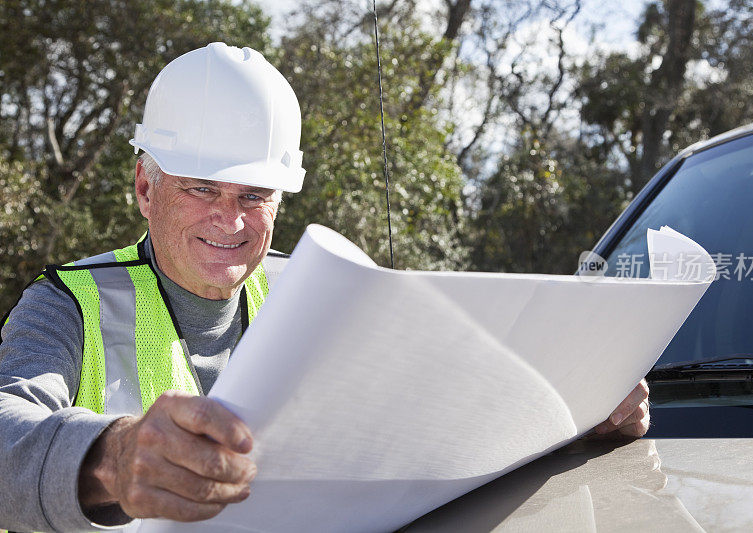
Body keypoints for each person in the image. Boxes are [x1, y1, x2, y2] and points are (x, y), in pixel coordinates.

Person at [0, 42, 649, 532]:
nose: (229, 219)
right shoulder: (70, 303)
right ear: (146, 188)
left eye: (253, 195)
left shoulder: (314, 290)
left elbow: (434, 418)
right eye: (201, 188)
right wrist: (110, 456)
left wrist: (580, 412)